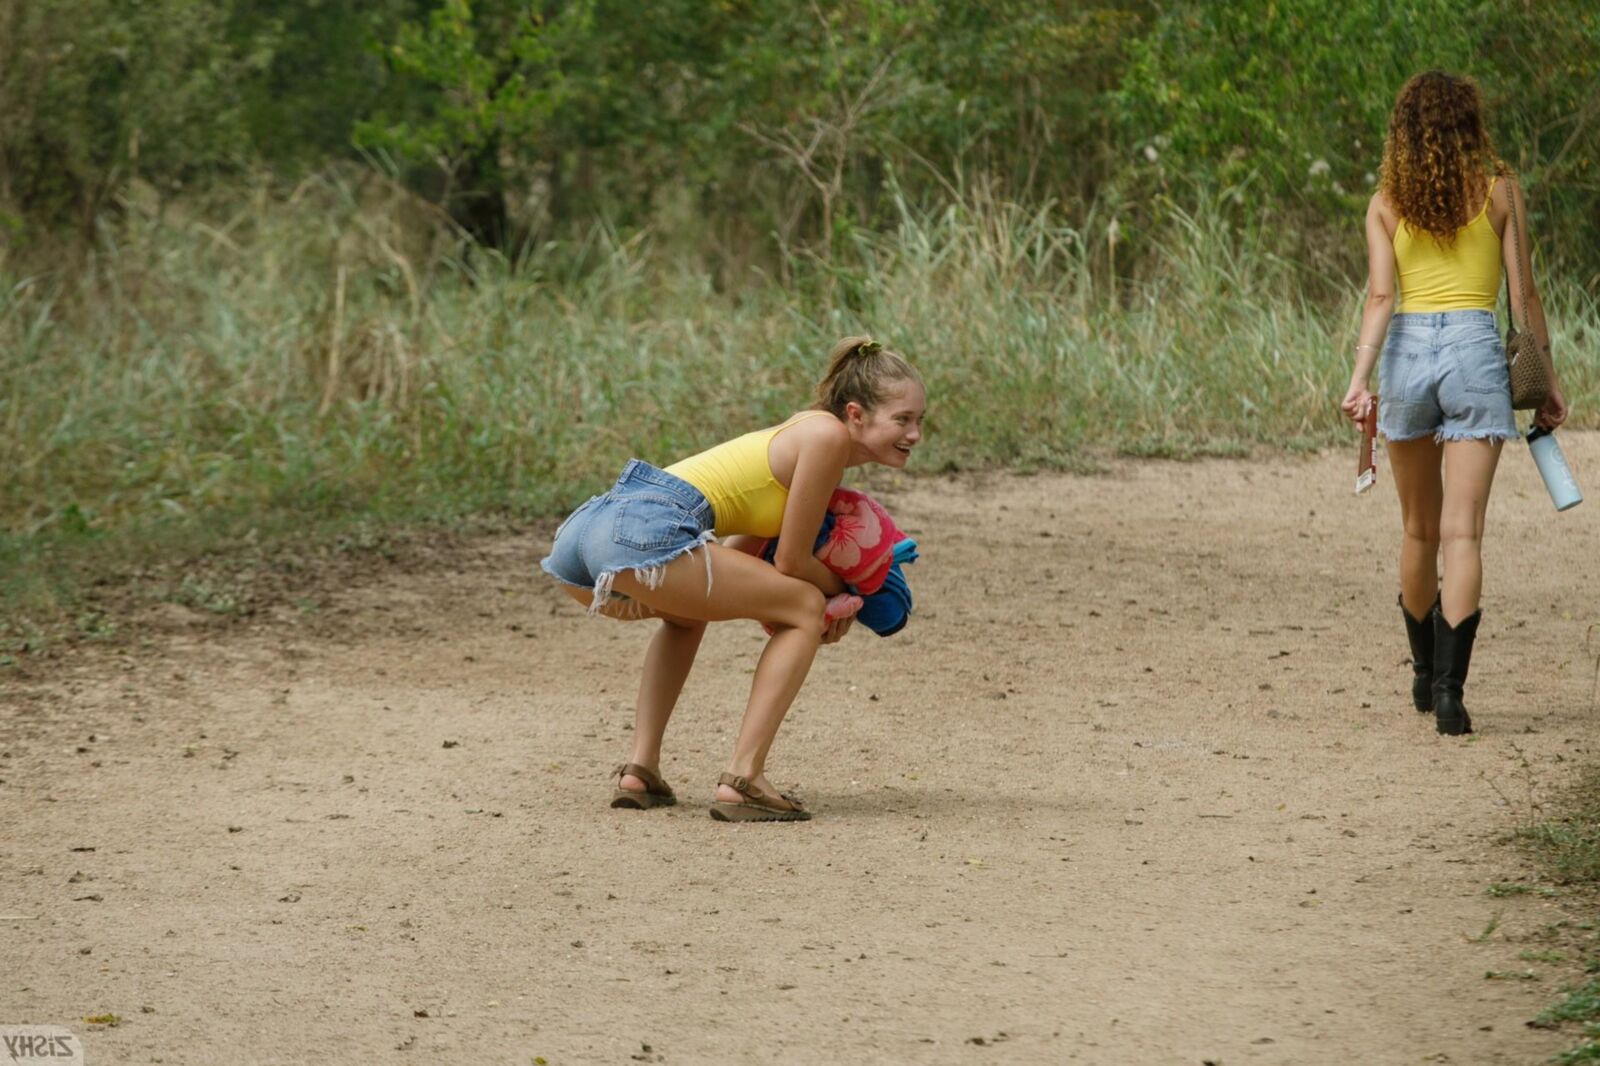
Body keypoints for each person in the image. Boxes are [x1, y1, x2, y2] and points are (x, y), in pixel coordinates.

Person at [540, 336, 926, 819]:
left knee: (687, 618)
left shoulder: (800, 437)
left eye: (920, 421)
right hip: (641, 529)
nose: (915, 435)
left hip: (586, 536)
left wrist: (809, 600)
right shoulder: (826, 438)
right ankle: (745, 777)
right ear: (855, 414)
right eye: (903, 420)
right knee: (804, 606)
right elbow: (790, 563)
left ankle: (640, 771)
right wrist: (850, 593)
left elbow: (742, 563)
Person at [1340, 71, 1569, 735]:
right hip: (1474, 350)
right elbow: (1524, 297)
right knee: (1463, 533)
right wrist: (1548, 380)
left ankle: (1420, 672)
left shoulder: (1386, 201)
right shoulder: (1501, 189)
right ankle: (1450, 696)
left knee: (1418, 529)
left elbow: (1381, 298)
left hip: (1408, 351)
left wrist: (1360, 380)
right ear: (1471, 122)